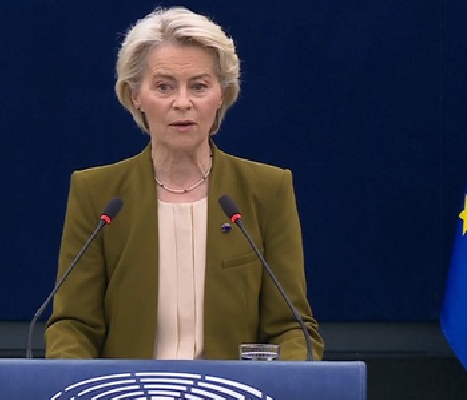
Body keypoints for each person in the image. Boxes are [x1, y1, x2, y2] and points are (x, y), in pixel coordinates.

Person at [45, 6, 324, 361]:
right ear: (135, 95)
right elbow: (73, 325)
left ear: (222, 94)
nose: (182, 103)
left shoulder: (266, 191)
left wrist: (285, 379)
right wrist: (77, 379)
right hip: (129, 388)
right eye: (164, 86)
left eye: (199, 86)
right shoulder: (97, 194)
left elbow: (292, 327)